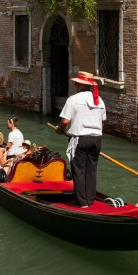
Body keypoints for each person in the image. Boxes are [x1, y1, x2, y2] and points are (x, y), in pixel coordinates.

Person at [56, 71, 106, 208]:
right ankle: (90, 200)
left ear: (78, 84)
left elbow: (65, 121)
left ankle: (82, 203)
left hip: (80, 140)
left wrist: (60, 130)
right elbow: (102, 122)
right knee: (92, 171)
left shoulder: (73, 99)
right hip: (96, 140)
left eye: (76, 83)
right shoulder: (99, 100)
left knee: (79, 171)